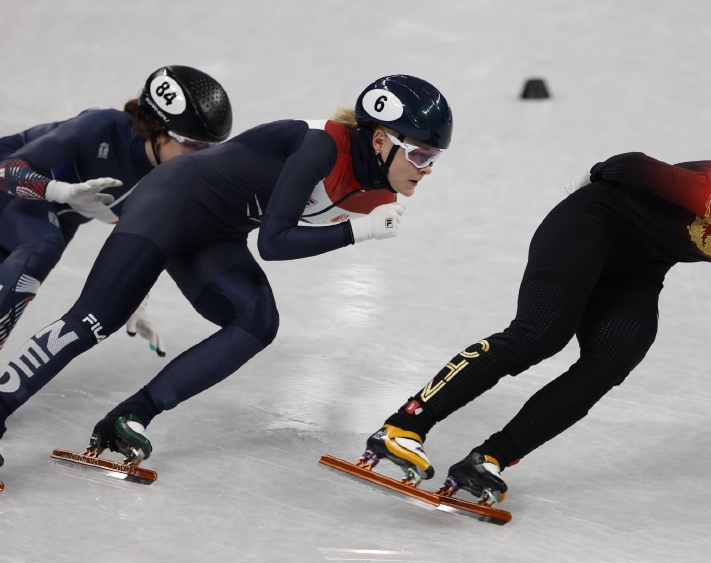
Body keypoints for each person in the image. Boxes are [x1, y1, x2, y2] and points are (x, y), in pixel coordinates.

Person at [361, 141, 711, 505]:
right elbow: (632, 163)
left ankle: (487, 461)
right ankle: (404, 425)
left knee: (616, 356)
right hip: (591, 225)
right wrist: (587, 186)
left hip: (639, 265)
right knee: (541, 333)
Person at [0, 75, 452, 474]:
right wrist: (360, 232)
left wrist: (361, 225)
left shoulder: (377, 190)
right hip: (171, 201)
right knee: (97, 318)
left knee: (257, 321)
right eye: (420, 153)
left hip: (218, 233)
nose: (427, 169)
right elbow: (274, 243)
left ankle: (131, 415)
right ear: (379, 141)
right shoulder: (321, 146)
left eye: (435, 157)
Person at [0, 66, 232, 357]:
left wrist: (139, 299)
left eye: (211, 148)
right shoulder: (103, 126)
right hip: (14, 190)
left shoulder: (171, 186)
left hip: (56, 219)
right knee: (42, 246)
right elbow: (7, 170)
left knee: (34, 261)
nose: (203, 157)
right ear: (158, 131)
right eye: (193, 144)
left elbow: (146, 247)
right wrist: (59, 190)